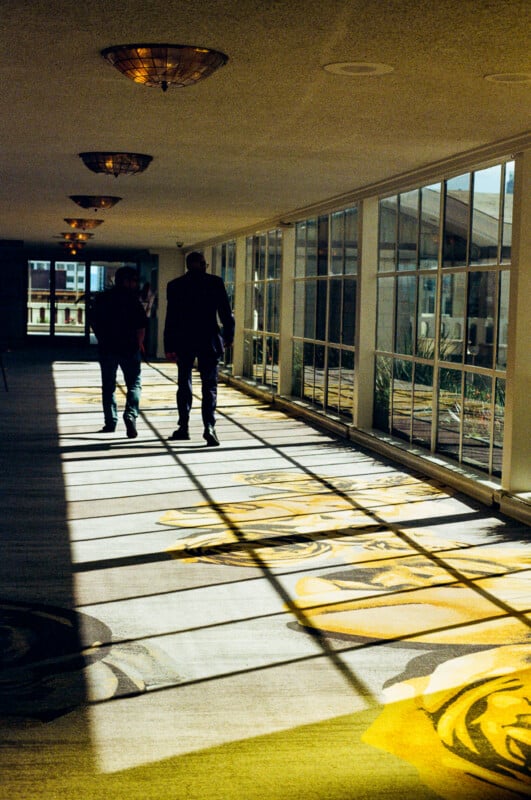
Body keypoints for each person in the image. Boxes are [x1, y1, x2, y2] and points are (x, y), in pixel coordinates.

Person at [164, 251, 235, 446]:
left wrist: (168, 345)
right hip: (208, 339)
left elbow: (171, 318)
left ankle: (184, 427)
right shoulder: (215, 283)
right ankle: (209, 427)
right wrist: (229, 336)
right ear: (203, 264)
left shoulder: (175, 285)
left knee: (184, 383)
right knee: (209, 386)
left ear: (188, 265)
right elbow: (226, 313)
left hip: (184, 339)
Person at [89, 266, 148, 438]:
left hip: (107, 348)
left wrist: (102, 338)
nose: (136, 284)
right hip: (129, 348)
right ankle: (130, 414)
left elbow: (93, 321)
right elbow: (141, 327)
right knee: (134, 384)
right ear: (126, 281)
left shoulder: (103, 299)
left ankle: (110, 421)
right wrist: (139, 344)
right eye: (134, 280)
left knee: (108, 386)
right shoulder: (133, 301)